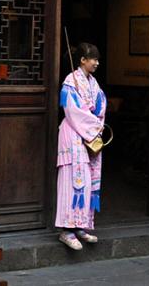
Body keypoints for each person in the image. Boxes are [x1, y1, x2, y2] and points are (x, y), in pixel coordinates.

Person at [56, 42, 107, 250]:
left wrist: (95, 123)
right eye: (92, 59)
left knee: (86, 181)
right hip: (73, 135)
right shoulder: (71, 81)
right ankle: (66, 230)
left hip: (88, 135)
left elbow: (101, 105)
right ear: (82, 61)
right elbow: (72, 110)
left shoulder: (93, 83)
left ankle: (80, 226)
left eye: (97, 59)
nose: (96, 63)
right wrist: (94, 124)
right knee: (71, 181)